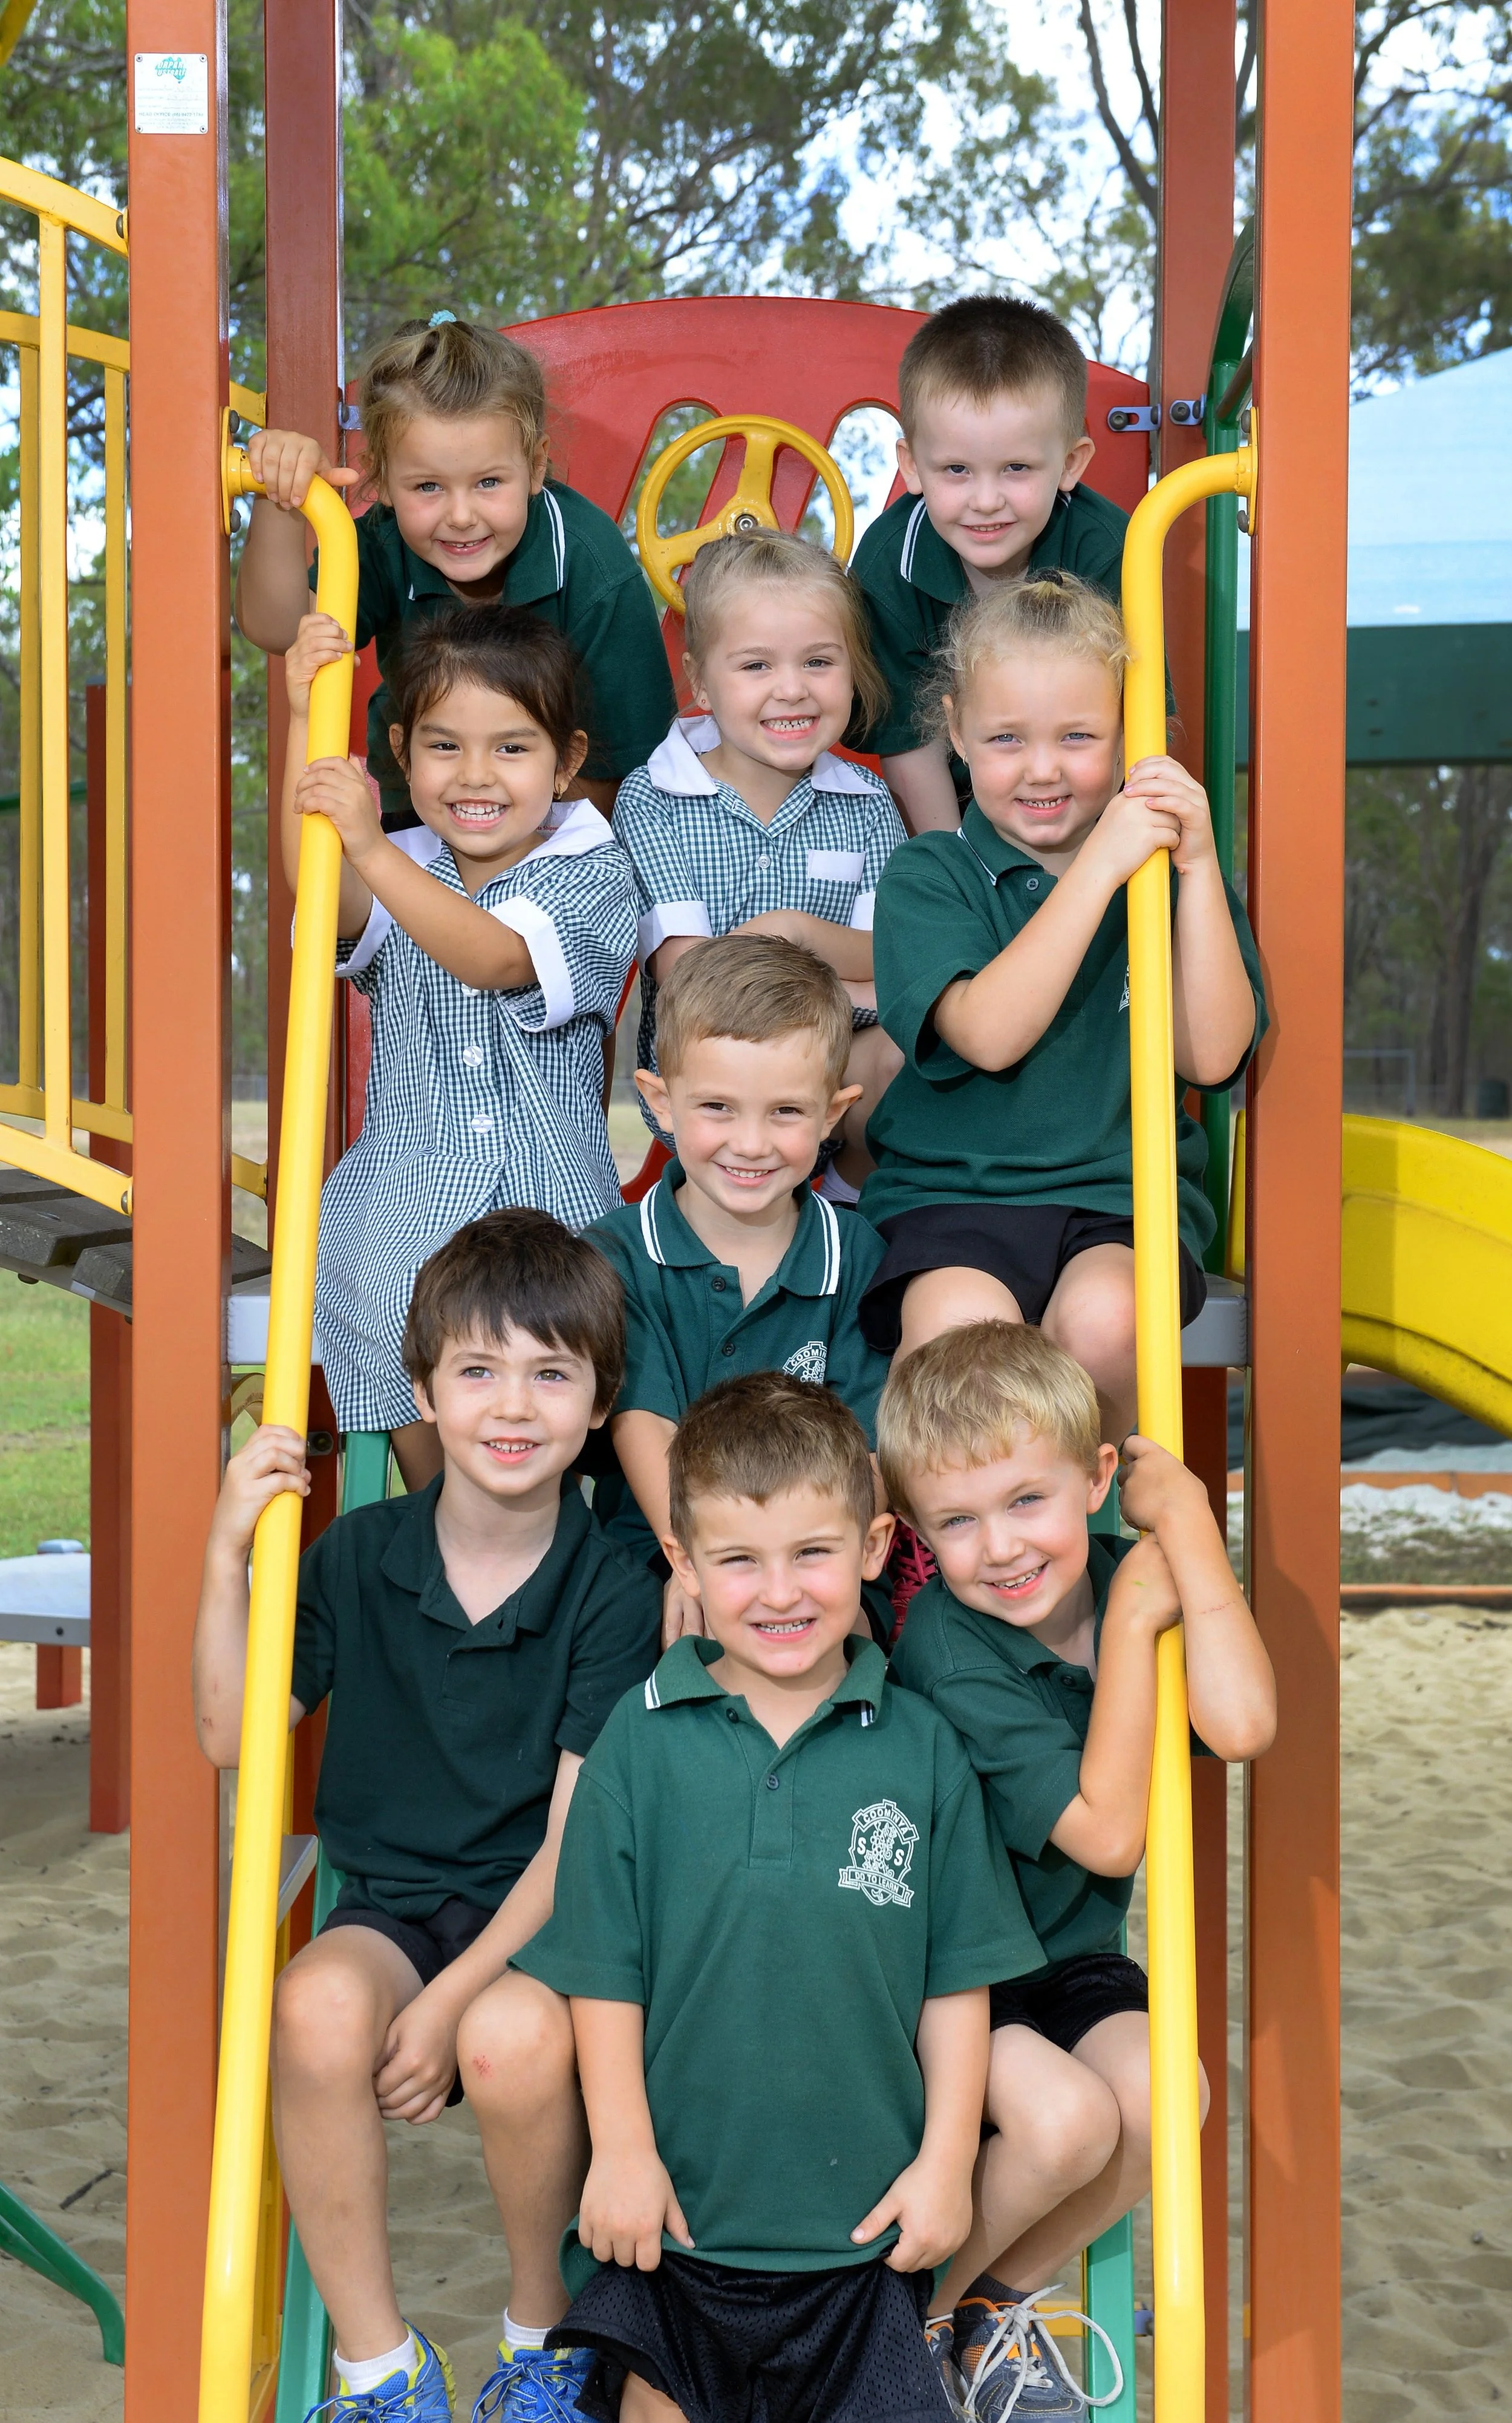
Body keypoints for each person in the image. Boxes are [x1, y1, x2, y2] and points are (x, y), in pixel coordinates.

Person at [192, 1212, 663, 2423]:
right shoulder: (358, 1553)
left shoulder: (612, 1581)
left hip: (542, 1919)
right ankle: (378, 2363)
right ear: (422, 1390)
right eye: (478, 1369)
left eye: (550, 1372)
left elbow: (573, 1846)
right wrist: (226, 1552)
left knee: (509, 2038)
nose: (513, 1405)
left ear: (599, 1397)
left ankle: (536, 2332)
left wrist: (452, 2001)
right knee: (312, 2001)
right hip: (395, 1903)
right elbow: (228, 1734)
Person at [506, 1371, 1044, 2423]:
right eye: (740, 1561)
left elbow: (956, 1980)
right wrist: (620, 2151)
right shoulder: (640, 1740)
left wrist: (946, 2164)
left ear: (876, 1547)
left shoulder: (923, 1747)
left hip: (866, 2246)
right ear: (685, 1566)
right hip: (679, 2235)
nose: (781, 1591)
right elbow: (604, 1974)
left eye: (813, 1552)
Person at [881, 1323, 1276, 2422]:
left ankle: (990, 2305)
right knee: (1067, 2124)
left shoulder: (1127, 1573)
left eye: (1026, 1502)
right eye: (956, 1522)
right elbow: (1108, 1835)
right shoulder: (946, 1645)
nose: (1000, 1547)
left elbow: (1241, 1725)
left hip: (1067, 1956)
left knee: (1171, 2094)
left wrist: (1191, 1532)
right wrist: (1146, 1617)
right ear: (918, 1533)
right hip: (949, 1976)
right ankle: (909, 2324)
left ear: (1100, 1479)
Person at [858, 572, 1267, 1446]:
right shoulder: (932, 874)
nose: (1042, 768)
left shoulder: (1159, 877)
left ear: (1131, 740)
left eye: (1078, 737)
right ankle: (940, 1559)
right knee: (960, 1339)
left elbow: (1216, 1055)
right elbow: (990, 1035)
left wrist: (1193, 873)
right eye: (1007, 738)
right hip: (955, 1194)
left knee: (1108, 1324)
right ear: (959, 732)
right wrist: (1099, 868)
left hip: (1118, 1197)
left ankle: (1099, 1528)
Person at [282, 598, 635, 1487]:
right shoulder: (401, 861)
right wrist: (300, 720)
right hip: (401, 1207)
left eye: (512, 747)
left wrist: (374, 849)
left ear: (567, 763)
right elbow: (320, 881)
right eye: (444, 746)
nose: (476, 775)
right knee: (434, 1451)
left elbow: (497, 956)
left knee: (542, 1412)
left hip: (546, 1208)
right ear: (402, 755)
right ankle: (437, 1552)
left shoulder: (593, 871)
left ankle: (545, 1583)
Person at [234, 313, 676, 827]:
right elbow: (279, 629)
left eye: (489, 482)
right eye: (428, 487)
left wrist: (530, 850)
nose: (461, 517)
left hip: (561, 818)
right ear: (382, 480)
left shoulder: (590, 565)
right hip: (422, 811)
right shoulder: (381, 542)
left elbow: (632, 767)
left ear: (535, 467)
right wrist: (281, 497)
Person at [585, 934, 893, 1642]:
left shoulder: (855, 1254)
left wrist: (812, 1576)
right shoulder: (618, 1255)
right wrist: (702, 1568)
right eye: (717, 1108)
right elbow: (646, 1425)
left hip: (815, 1569)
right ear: (660, 1102)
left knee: (858, 1662)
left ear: (832, 1114)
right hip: (665, 1556)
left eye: (784, 1112)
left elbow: (871, 1453)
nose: (750, 1144)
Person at [611, 529, 907, 1198]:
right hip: (715, 1068)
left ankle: (856, 1209)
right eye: (755, 667)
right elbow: (689, 973)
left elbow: (894, 959)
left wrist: (795, 933)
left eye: (819, 662)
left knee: (906, 1047)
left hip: (834, 1066)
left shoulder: (864, 804)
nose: (792, 690)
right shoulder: (656, 797)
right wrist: (844, 978)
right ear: (701, 683)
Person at [852, 296, 1131, 835]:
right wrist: (961, 872)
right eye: (957, 469)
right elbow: (912, 747)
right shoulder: (892, 568)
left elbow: (1141, 721)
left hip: (1087, 798)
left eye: (1016, 468)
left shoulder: (1108, 551)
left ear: (1070, 464)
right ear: (911, 466)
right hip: (959, 805)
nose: (985, 500)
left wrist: (1098, 854)